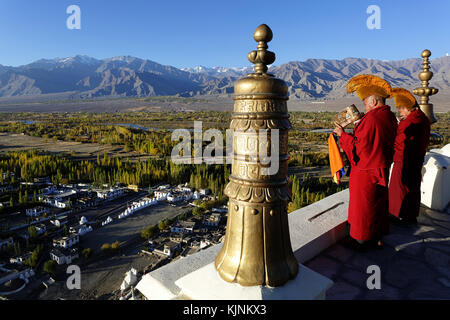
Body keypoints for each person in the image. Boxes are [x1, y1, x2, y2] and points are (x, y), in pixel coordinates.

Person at [333, 74, 398, 249]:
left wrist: (343, 136)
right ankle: (376, 236)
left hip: (366, 171)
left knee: (363, 207)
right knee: (377, 204)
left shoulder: (372, 119)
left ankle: (361, 240)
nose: (364, 106)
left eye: (365, 102)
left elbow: (359, 148)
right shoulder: (389, 116)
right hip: (382, 167)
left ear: (374, 102)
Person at [388, 88, 430, 224]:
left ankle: (397, 214)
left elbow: (399, 143)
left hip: (403, 160)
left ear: (407, 107)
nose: (399, 111)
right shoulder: (422, 118)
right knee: (413, 188)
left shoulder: (408, 122)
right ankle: (411, 216)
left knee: (399, 189)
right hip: (417, 159)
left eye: (400, 108)